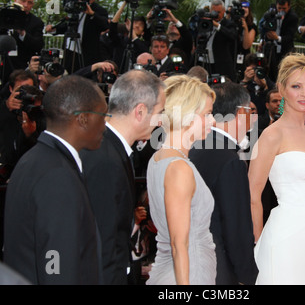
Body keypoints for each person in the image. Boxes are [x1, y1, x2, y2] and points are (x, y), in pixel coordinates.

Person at [3, 75, 108, 284]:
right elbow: (55, 262)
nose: (105, 125)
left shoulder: (33, 159)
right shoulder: (57, 175)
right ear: (83, 119)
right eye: (103, 116)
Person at [249, 53, 305, 284]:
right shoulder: (271, 135)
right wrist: (257, 243)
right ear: (282, 88)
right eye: (296, 86)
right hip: (286, 236)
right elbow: (252, 195)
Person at [80, 69, 165, 285]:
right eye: (160, 112)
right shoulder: (105, 159)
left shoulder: (110, 148)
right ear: (140, 111)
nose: (162, 121)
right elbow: (103, 241)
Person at [146, 75, 216, 285]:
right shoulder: (179, 168)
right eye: (207, 114)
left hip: (175, 268)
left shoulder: (158, 157)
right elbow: (179, 244)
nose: (213, 121)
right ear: (186, 115)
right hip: (187, 274)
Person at [189, 81, 258, 285]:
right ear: (242, 113)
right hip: (220, 269)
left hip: (195, 260)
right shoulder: (229, 160)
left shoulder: (196, 146)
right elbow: (236, 227)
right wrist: (248, 275)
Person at [45, 0, 109, 73]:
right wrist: (54, 29)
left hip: (87, 54)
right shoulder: (74, 6)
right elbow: (68, 24)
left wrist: (92, 13)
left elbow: (105, 25)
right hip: (70, 51)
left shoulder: (99, 10)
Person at [259, 0, 298, 81]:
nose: (281, 11)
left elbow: (290, 36)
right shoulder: (270, 14)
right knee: (269, 72)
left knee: (283, 74)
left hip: (284, 50)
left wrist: (277, 38)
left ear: (289, 6)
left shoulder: (293, 17)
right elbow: (262, 26)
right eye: (279, 8)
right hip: (270, 49)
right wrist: (262, 40)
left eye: (284, 8)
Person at [200, 0, 237, 81]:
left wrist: (217, 25)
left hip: (221, 64)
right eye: (214, 12)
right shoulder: (205, 22)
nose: (216, 15)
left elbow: (232, 36)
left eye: (219, 12)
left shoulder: (228, 24)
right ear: (210, 11)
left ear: (224, 11)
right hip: (205, 62)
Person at [7, 0, 44, 72]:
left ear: (32, 5)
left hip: (23, 67)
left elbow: (38, 45)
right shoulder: (4, 16)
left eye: (29, 2)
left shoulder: (36, 22)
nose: (25, 5)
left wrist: (23, 33)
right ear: (15, 0)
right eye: (23, 1)